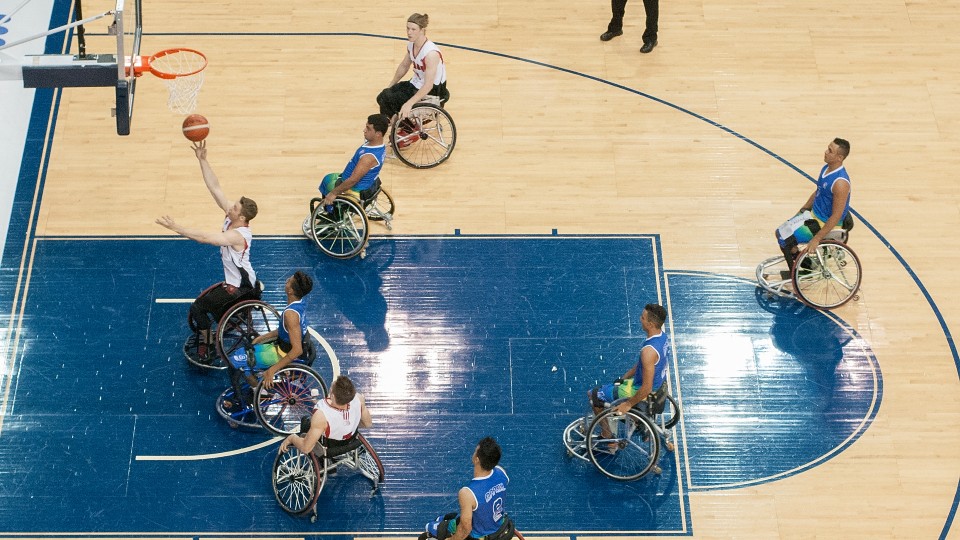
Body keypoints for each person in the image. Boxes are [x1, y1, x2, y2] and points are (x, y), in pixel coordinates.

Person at [156, 141, 259, 362]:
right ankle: (209, 332)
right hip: (237, 282)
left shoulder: (237, 235)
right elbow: (215, 188)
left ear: (241, 218)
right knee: (205, 305)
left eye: (234, 208)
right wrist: (202, 160)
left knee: (199, 308)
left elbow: (205, 238)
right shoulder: (232, 217)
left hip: (242, 289)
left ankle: (208, 345)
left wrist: (177, 228)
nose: (230, 206)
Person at [775, 138, 852, 268]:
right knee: (780, 232)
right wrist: (803, 209)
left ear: (839, 157)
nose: (826, 152)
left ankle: (795, 272)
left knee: (785, 239)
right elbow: (819, 191)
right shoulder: (826, 169)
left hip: (824, 223)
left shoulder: (840, 183)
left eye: (830, 151)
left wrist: (816, 239)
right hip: (813, 216)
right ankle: (806, 265)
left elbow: (836, 216)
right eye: (828, 148)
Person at [419, 437, 513, 540]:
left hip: (479, 535)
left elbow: (465, 529)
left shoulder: (468, 493)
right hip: (498, 526)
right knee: (454, 517)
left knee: (430, 527)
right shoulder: (501, 472)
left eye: (475, 451)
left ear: (477, 459)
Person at [588, 303, 669, 417]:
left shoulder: (648, 352)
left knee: (594, 394)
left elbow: (646, 388)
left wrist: (628, 404)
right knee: (616, 384)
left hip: (642, 391)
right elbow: (645, 364)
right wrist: (625, 376)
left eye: (643, 318)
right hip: (658, 385)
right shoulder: (663, 337)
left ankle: (607, 433)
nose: (640, 319)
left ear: (650, 324)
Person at [239, 270, 314, 389]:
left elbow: (297, 350)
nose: (286, 281)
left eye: (289, 281)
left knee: (236, 361)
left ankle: (261, 393)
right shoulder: (300, 303)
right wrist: (262, 337)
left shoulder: (291, 315)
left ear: (290, 291)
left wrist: (272, 370)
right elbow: (285, 330)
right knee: (242, 352)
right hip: (281, 346)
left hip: (281, 353)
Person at [376, 13, 449, 123]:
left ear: (422, 30)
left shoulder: (431, 54)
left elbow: (428, 85)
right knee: (382, 96)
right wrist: (391, 85)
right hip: (416, 84)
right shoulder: (412, 44)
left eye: (413, 29)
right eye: (408, 28)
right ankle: (398, 124)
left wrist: (409, 103)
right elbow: (404, 66)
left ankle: (406, 129)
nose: (409, 32)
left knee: (390, 99)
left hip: (433, 91)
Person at [314, 114, 390, 213]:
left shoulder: (368, 158)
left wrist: (333, 193)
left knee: (327, 180)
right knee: (330, 177)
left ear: (378, 134)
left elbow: (353, 180)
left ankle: (332, 213)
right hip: (365, 184)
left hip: (354, 189)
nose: (364, 130)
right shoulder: (379, 146)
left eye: (368, 128)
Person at [280, 375, 373, 455]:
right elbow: (367, 424)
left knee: (305, 422)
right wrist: (347, 425)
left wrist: (291, 438)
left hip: (330, 446)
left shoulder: (321, 415)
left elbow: (306, 448)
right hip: (351, 440)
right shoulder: (359, 399)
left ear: (332, 396)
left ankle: (322, 462)